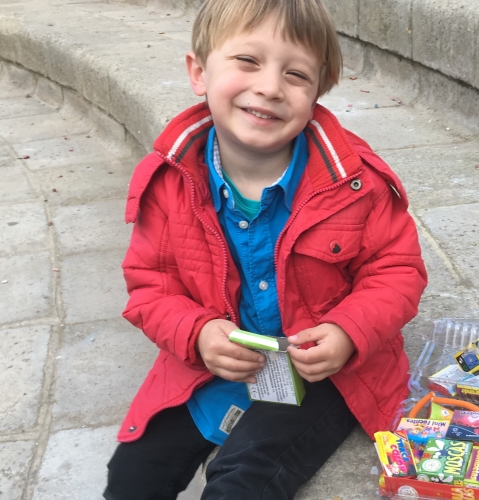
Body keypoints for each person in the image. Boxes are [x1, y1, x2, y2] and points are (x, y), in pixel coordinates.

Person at [103, 0, 427, 497]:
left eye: (296, 74)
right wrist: (197, 332)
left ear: (318, 91)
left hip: (320, 371)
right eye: (248, 61)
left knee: (244, 479)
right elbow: (150, 288)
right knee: (131, 477)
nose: (271, 87)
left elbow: (397, 271)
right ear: (199, 72)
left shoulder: (355, 182)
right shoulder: (169, 182)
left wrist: (347, 332)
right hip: (216, 364)